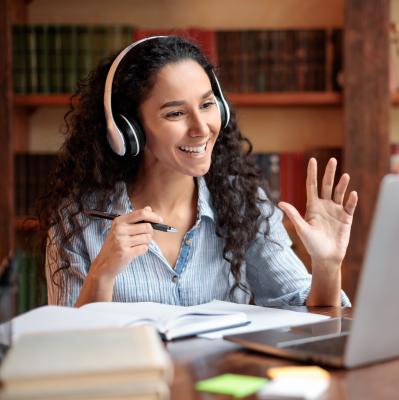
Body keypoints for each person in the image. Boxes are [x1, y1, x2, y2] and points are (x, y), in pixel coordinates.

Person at [38, 36, 358, 308]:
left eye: (206, 105)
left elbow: (309, 313)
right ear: (127, 130)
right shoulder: (78, 219)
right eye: (176, 113)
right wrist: (102, 275)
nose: (201, 128)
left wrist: (327, 266)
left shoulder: (241, 202)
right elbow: (73, 348)